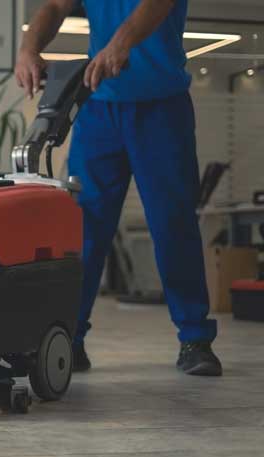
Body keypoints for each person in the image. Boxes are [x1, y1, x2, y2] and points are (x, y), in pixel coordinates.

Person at [15, 0, 222, 376]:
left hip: (162, 107)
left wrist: (120, 42)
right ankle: (69, 338)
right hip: (99, 108)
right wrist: (29, 49)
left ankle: (195, 339)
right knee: (83, 229)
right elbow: (55, 5)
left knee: (172, 223)